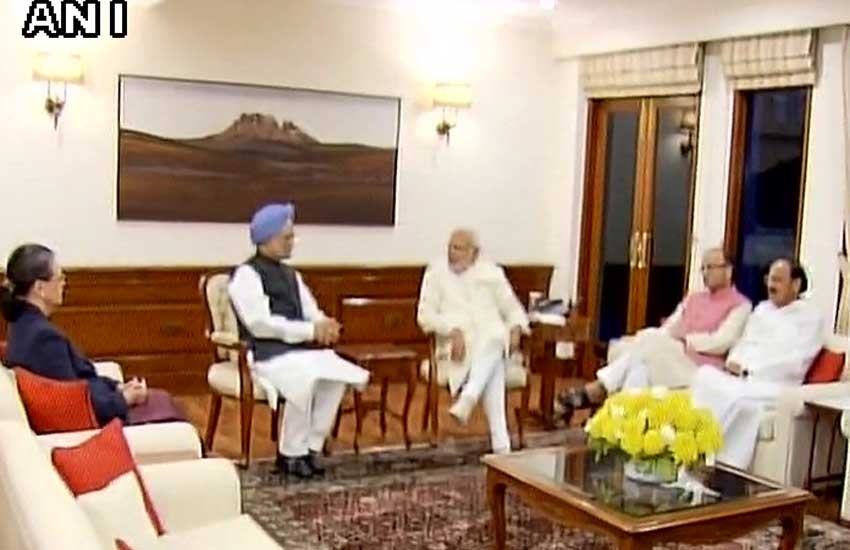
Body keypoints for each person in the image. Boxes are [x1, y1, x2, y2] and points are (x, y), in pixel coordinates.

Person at [228, 203, 370, 479]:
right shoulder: (246, 275)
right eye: (287, 237)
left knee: (335, 377)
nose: (292, 242)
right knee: (305, 378)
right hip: (267, 355)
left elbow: (310, 311)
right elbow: (259, 324)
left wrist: (324, 324)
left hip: (299, 353)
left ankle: (309, 448)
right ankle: (291, 453)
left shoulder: (292, 275)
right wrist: (309, 332)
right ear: (267, 239)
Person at [556, 247, 751, 424]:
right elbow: (669, 326)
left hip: (698, 367)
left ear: (728, 270)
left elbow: (722, 341)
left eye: (711, 268)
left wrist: (685, 339)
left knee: (645, 345)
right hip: (671, 355)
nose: (706, 273)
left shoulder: (741, 305)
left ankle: (599, 392)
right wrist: (645, 338)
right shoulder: (693, 298)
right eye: (703, 268)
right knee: (640, 365)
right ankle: (618, 420)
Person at [1, 243, 184, 427]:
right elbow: (74, 405)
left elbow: (80, 379)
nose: (64, 283)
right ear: (40, 288)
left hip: (97, 403)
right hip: (95, 426)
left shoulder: (22, 324)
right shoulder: (43, 338)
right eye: (60, 278)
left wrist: (117, 387)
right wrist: (124, 399)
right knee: (165, 406)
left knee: (161, 399)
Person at [690, 257, 824, 469]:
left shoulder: (810, 318)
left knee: (735, 397)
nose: (771, 285)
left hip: (776, 385)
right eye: (769, 279)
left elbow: (796, 363)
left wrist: (749, 370)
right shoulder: (762, 309)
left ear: (796, 284)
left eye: (778, 280)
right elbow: (744, 342)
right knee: (703, 375)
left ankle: (709, 460)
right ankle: (689, 448)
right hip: (744, 379)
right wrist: (734, 361)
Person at [417, 228, 529, 454]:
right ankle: (500, 441)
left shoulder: (491, 273)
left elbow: (513, 309)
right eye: (450, 247)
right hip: (456, 350)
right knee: (495, 354)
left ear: (474, 253)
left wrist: (517, 327)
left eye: (459, 248)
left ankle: (469, 398)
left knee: (495, 337)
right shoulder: (436, 274)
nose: (452, 253)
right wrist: (452, 330)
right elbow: (424, 316)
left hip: (492, 344)